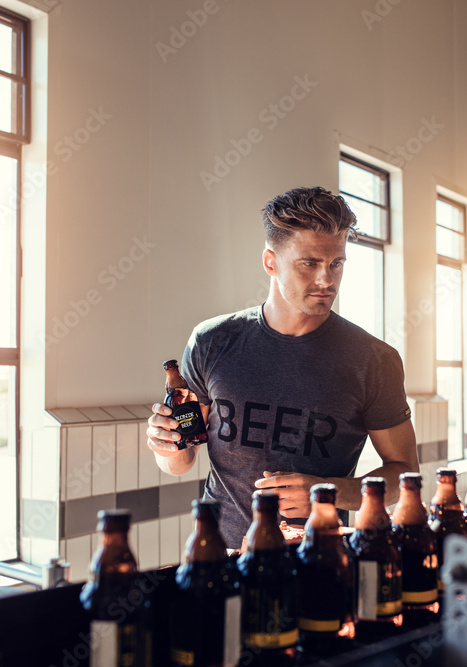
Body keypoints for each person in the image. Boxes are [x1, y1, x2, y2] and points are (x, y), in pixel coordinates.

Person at [146, 186, 419, 547]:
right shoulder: (213, 341)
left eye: (336, 263)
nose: (326, 279)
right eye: (309, 263)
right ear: (270, 262)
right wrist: (165, 445)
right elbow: (180, 462)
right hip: (221, 555)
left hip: (317, 559)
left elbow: (405, 474)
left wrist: (331, 493)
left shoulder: (373, 359)